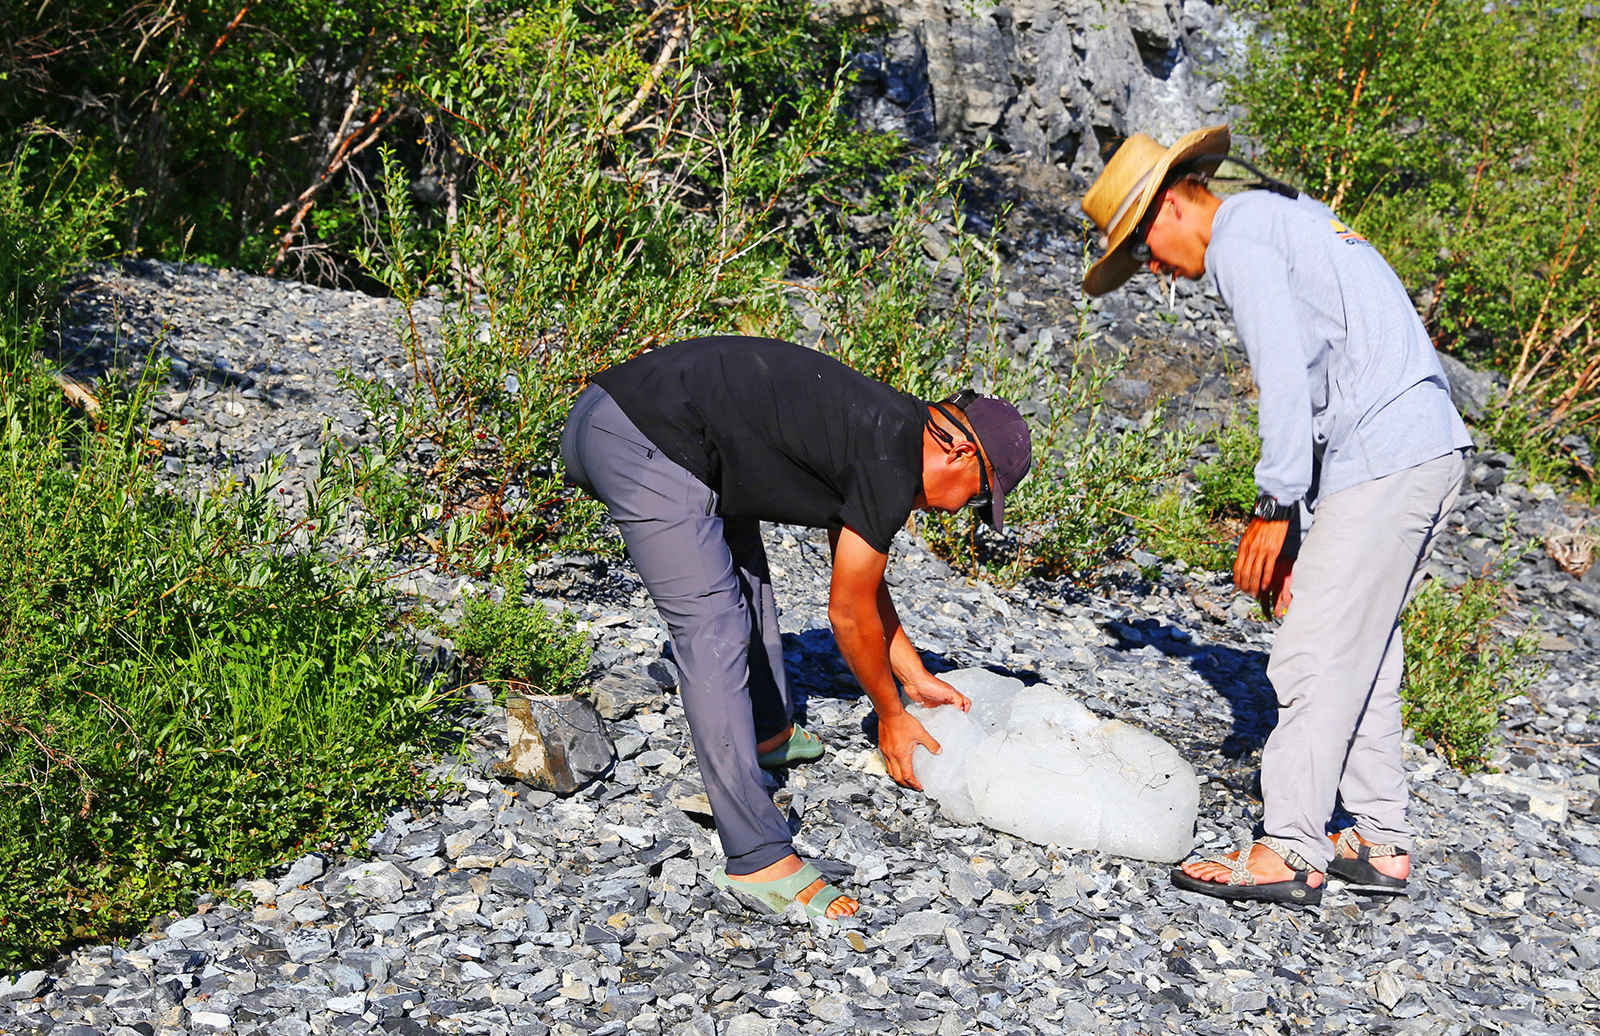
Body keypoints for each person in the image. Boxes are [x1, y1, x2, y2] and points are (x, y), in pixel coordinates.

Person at [1080, 126, 1472, 906]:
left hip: (1388, 452)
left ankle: (1290, 848)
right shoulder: (1288, 218)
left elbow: (1286, 383)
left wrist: (1273, 505)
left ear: (1165, 212)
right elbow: (1337, 370)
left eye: (1143, 255)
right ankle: (1380, 839)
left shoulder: (1240, 237)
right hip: (1423, 445)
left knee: (1310, 653)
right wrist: (1303, 520)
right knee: (1367, 649)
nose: (1157, 272)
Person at [561, 336, 1033, 919]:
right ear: (960, 454)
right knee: (714, 628)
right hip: (639, 437)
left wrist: (912, 676)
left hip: (634, 422)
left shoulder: (886, 428)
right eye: (981, 498)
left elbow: (863, 582)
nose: (965, 511)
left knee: (747, 584)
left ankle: (766, 732)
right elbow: (848, 613)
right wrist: (890, 714)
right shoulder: (890, 458)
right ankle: (757, 855)